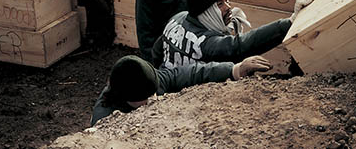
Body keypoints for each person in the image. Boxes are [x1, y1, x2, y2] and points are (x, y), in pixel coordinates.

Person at [152, 0, 316, 70]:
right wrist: (289, 22)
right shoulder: (206, 44)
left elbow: (156, 51)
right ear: (206, 11)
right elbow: (239, 47)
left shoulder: (178, 18)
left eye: (227, 1)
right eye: (220, 4)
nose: (228, 7)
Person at [90, 54, 272, 126]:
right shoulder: (105, 118)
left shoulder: (148, 80)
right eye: (146, 99)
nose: (154, 100)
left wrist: (235, 69)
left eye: (153, 93)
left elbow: (190, 73)